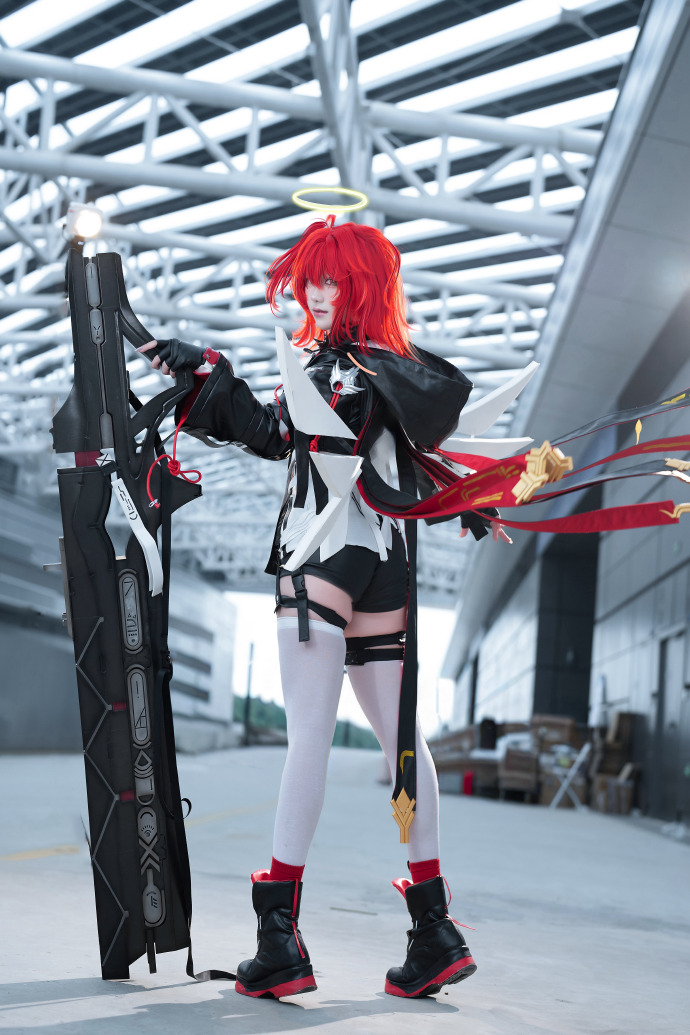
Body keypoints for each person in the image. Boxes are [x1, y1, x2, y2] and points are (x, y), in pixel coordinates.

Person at [140, 215, 509, 1000]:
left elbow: (278, 434)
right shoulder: (396, 373)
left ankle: (280, 936)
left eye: (333, 279)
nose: (316, 291)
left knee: (310, 733)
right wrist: (208, 372)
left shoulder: (336, 368)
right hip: (385, 563)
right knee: (404, 741)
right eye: (311, 277)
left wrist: (211, 376)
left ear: (363, 287)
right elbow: (393, 459)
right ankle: (434, 928)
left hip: (322, 551)